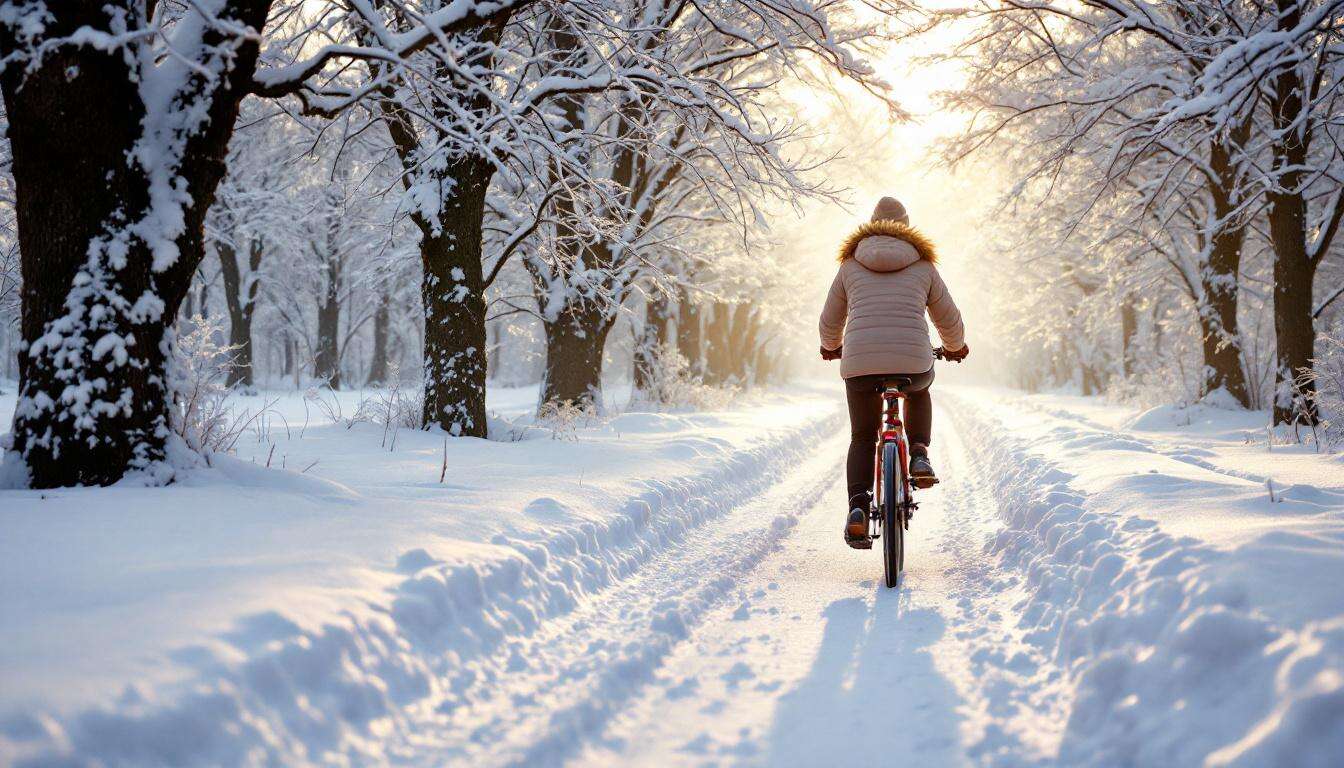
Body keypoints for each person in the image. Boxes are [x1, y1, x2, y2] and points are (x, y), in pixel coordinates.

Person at [818, 196, 968, 547]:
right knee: (920, 388)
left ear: (871, 224)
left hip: (859, 366)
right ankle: (918, 453)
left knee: (862, 436)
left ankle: (858, 508)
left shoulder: (850, 265)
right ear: (907, 226)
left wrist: (830, 347)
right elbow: (948, 318)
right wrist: (955, 347)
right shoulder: (924, 265)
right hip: (913, 362)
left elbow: (830, 319)